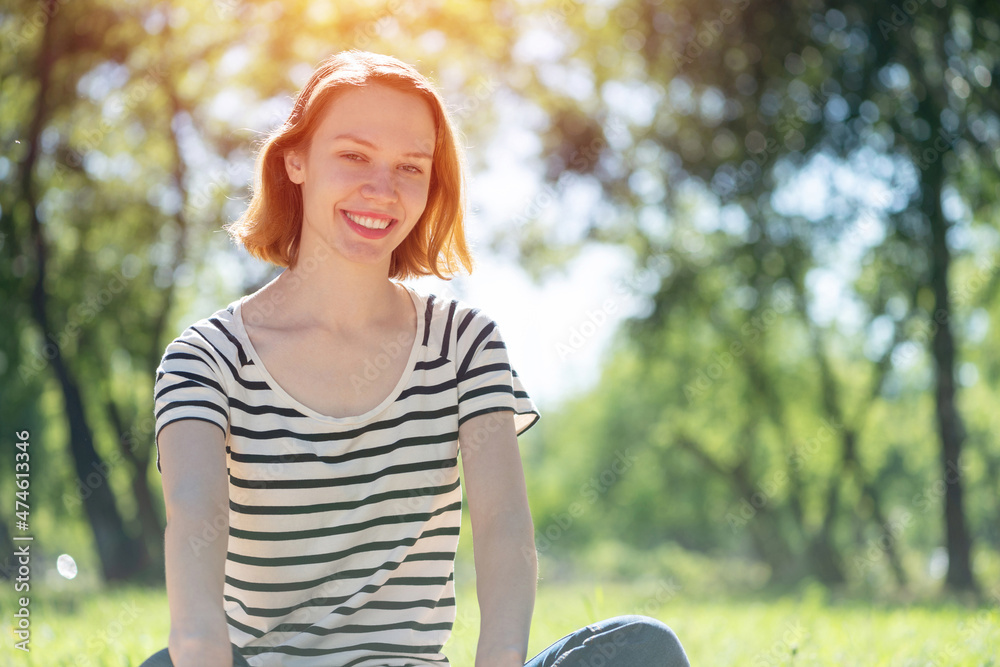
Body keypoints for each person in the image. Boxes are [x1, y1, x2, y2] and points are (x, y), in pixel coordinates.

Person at [142, 50, 690, 667]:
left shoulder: (466, 345)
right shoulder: (204, 360)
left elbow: (504, 530)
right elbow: (194, 525)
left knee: (644, 649)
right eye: (353, 155)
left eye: (410, 167)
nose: (382, 189)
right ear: (295, 160)